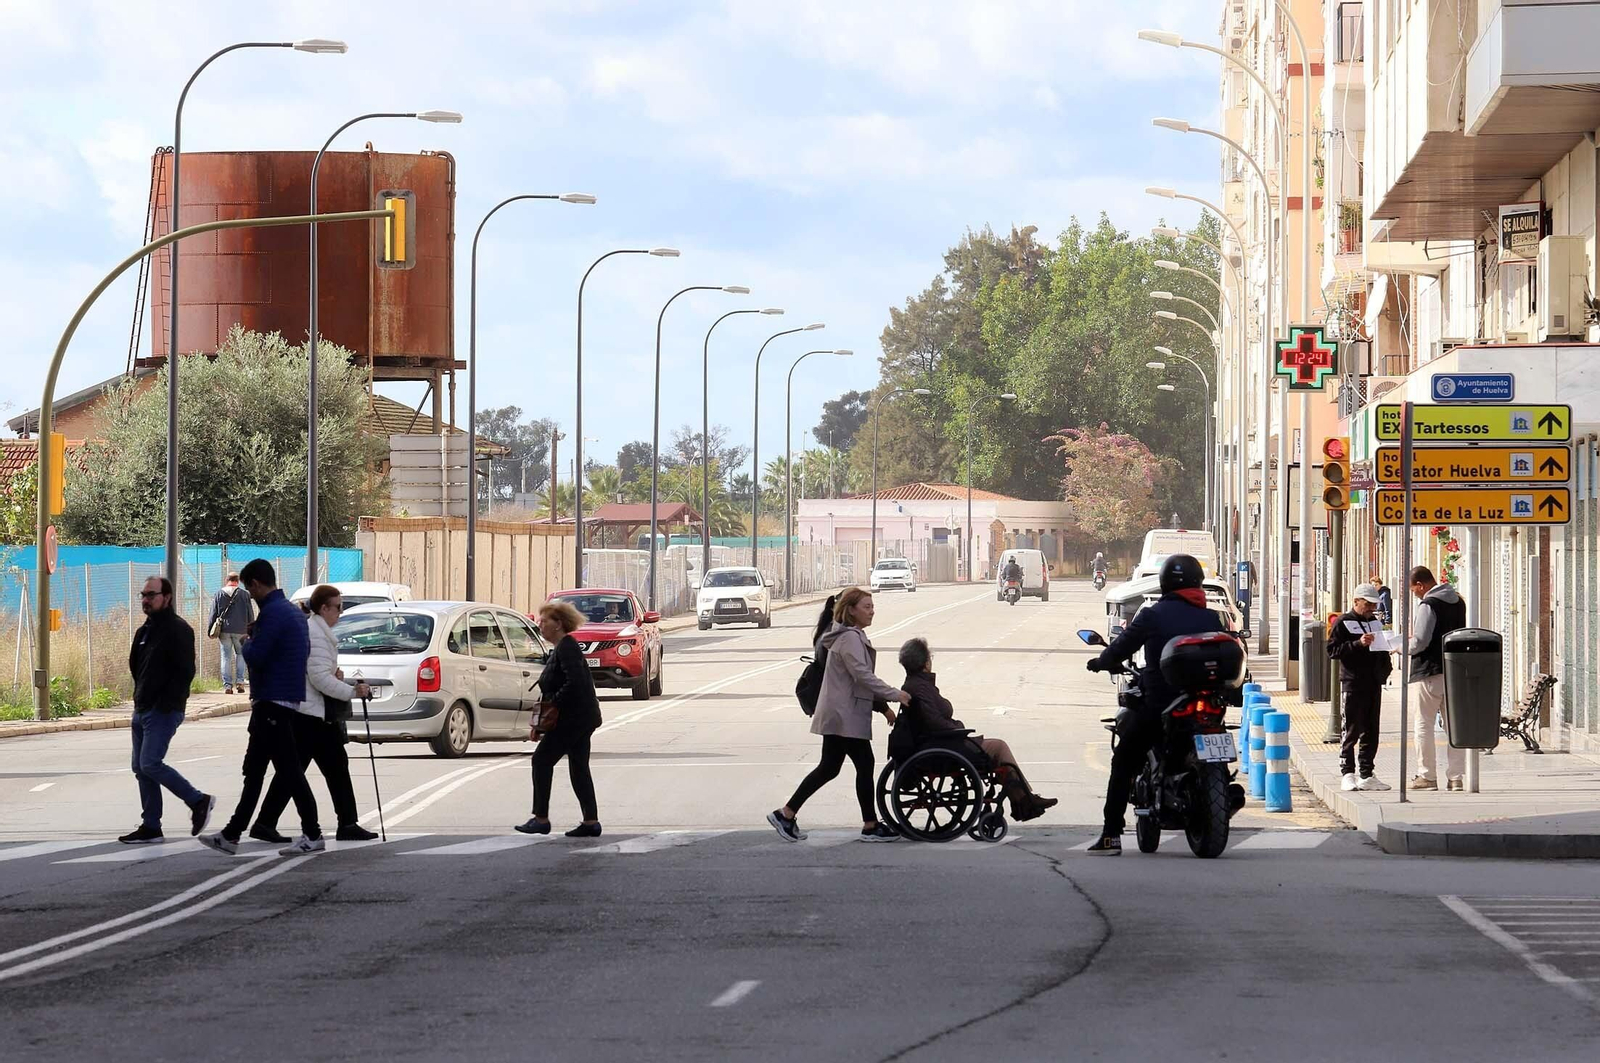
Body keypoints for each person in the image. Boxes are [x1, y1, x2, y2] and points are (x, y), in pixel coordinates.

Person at [1084, 554, 1228, 855]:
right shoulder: (1211, 617)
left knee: (1123, 761)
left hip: (1162, 703)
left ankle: (1111, 835)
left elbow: (1120, 648)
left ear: (1165, 582)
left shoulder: (1152, 614)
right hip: (1208, 704)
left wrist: (1101, 661)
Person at [200, 559, 323, 856]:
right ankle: (231, 833)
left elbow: (257, 657)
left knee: (289, 772)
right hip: (284, 700)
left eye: (249, 588)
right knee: (254, 771)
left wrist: (248, 639)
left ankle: (313, 833)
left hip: (272, 703)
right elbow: (298, 652)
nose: (250, 595)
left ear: (256, 583)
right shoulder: (293, 614)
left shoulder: (272, 614)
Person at [768, 587, 910, 843]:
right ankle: (869, 825)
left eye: (872, 606)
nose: (872, 611)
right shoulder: (849, 639)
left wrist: (884, 703)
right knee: (862, 764)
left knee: (829, 768)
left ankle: (786, 814)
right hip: (844, 715)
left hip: (842, 713)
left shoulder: (848, 636)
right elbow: (862, 676)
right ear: (852, 610)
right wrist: (894, 694)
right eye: (866, 606)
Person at [251, 585, 378, 843]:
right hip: (311, 716)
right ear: (324, 608)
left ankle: (267, 822)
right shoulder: (317, 634)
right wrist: (352, 691)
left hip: (311, 713)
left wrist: (336, 677)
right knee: (313, 770)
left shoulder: (317, 630)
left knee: (311, 770)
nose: (341, 613)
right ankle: (345, 824)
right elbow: (318, 677)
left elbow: (317, 672)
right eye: (338, 607)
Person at [897, 637, 1058, 820]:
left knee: (998, 752)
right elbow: (935, 723)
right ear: (925, 663)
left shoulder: (916, 684)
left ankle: (1023, 800)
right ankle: (1024, 800)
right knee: (999, 747)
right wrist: (958, 727)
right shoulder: (921, 687)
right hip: (945, 745)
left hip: (939, 742)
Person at [119, 577, 215, 844]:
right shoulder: (144, 631)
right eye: (143, 595)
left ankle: (198, 800)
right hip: (142, 708)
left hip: (163, 710)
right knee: (140, 767)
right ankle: (151, 826)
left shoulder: (178, 629)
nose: (145, 599)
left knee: (150, 762)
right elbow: (135, 666)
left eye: (151, 594)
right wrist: (141, 699)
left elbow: (186, 671)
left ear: (167, 597)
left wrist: (166, 702)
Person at [516, 599, 603, 837]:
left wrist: (552, 705)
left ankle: (541, 818)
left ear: (559, 624)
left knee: (541, 760)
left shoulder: (567, 647)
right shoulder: (562, 647)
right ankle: (590, 822)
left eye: (544, 621)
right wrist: (541, 722)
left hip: (573, 718)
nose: (540, 625)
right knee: (578, 767)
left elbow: (574, 683)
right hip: (581, 717)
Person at [1327, 583, 1393, 792]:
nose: (1371, 609)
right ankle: (1348, 772)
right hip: (1353, 681)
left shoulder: (1374, 622)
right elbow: (1333, 650)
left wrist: (1386, 664)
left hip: (1373, 681)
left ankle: (1367, 772)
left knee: (1371, 729)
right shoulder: (1343, 623)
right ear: (1356, 601)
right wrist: (1357, 644)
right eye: (1367, 604)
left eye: (1374, 605)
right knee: (1352, 728)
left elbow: (1381, 648)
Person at [1406, 565, 1466, 791]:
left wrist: (1402, 647)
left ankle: (1427, 777)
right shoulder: (1459, 602)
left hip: (1429, 671)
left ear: (1421, 585)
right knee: (1454, 727)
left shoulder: (1428, 605)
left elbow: (1420, 641)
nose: (1415, 594)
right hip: (1454, 671)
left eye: (1414, 590)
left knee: (1423, 724)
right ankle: (1456, 778)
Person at [207, 572, 253, 695]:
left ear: (226, 580)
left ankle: (227, 686)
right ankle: (240, 682)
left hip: (224, 630)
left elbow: (213, 614)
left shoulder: (219, 594)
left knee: (226, 657)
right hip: (241, 631)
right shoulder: (245, 595)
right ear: (238, 581)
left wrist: (210, 629)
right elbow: (250, 613)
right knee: (241, 655)